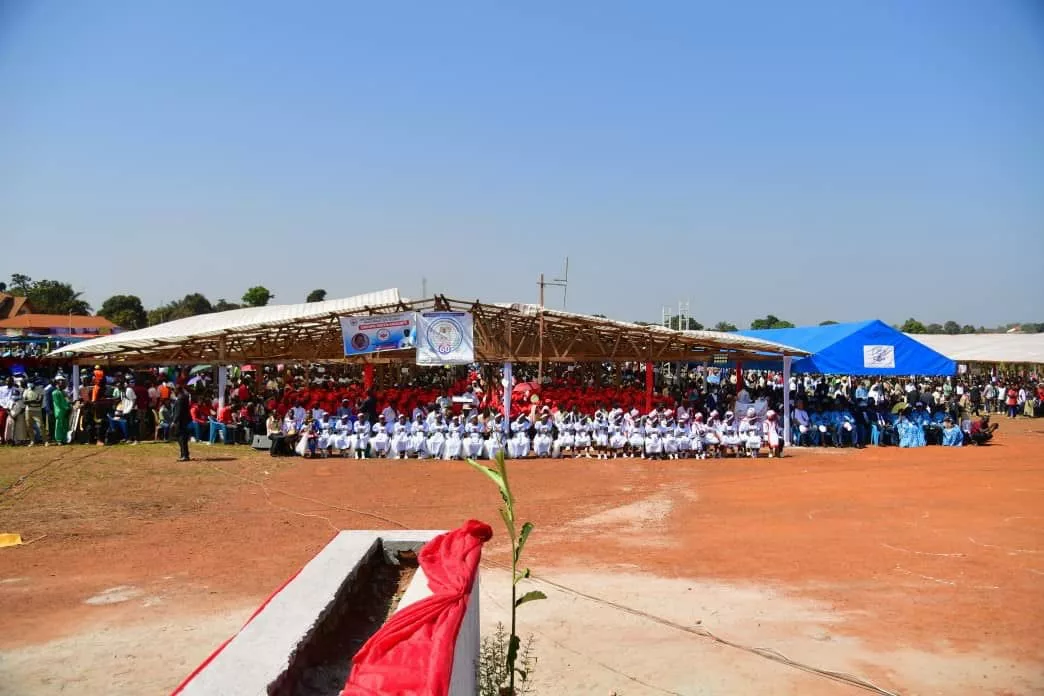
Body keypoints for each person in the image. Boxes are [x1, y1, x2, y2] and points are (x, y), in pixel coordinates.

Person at [172, 385, 192, 461]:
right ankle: (184, 454)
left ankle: (185, 455)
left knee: (181, 437)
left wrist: (174, 421)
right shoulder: (184, 397)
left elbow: (178, 412)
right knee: (182, 437)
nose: (174, 392)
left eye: (174, 390)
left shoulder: (180, 399)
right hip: (184, 420)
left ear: (177, 390)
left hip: (180, 421)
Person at [52, 376, 71, 445]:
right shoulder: (55, 393)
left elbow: (67, 401)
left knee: (65, 425)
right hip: (60, 412)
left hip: (66, 411)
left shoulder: (64, 392)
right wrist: (66, 408)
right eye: (61, 381)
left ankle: (64, 439)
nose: (63, 383)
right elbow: (59, 404)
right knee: (59, 426)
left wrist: (69, 407)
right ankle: (59, 439)